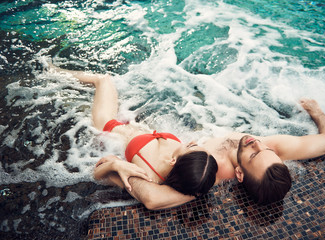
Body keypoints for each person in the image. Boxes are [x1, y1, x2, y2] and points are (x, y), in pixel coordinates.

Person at [116, 98, 325, 207]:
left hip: (144, 140)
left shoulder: (211, 172)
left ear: (239, 174)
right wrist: (317, 112)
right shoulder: (269, 152)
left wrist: (118, 168)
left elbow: (153, 199)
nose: (255, 142)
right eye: (266, 149)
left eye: (254, 154)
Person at [48, 64, 218, 210]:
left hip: (106, 126)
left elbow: (97, 175)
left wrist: (115, 164)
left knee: (102, 80)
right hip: (129, 122)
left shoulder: (146, 175)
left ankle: (51, 71)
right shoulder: (192, 166)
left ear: (174, 161)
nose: (193, 142)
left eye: (191, 146)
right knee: (82, 100)